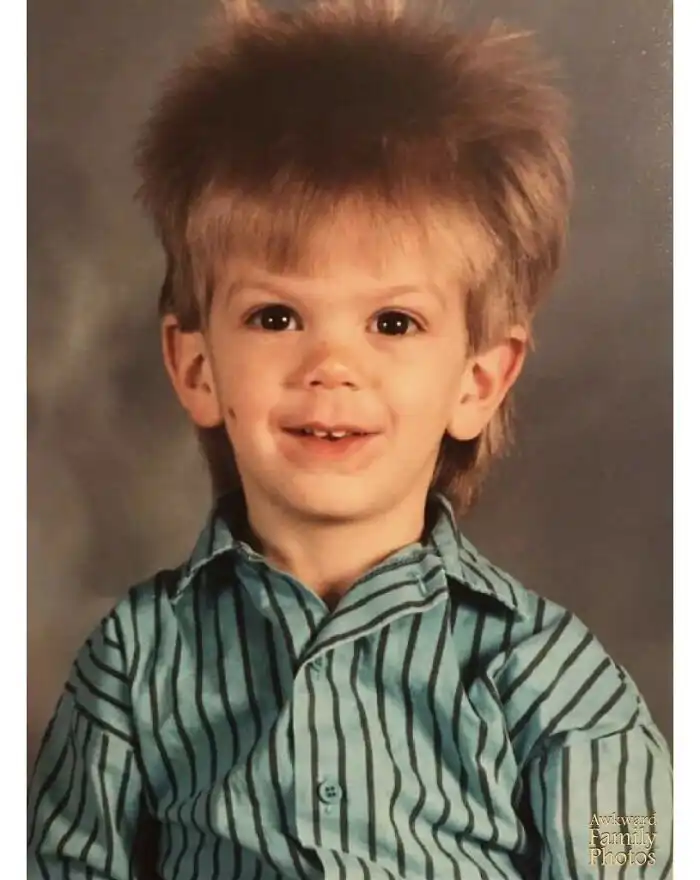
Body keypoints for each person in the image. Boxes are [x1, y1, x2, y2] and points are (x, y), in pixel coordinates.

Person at [27, 0, 672, 877]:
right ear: (198, 368)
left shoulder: (547, 676)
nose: (331, 366)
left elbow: (626, 855)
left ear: (478, 381)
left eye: (393, 322)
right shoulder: (137, 660)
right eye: (277, 315)